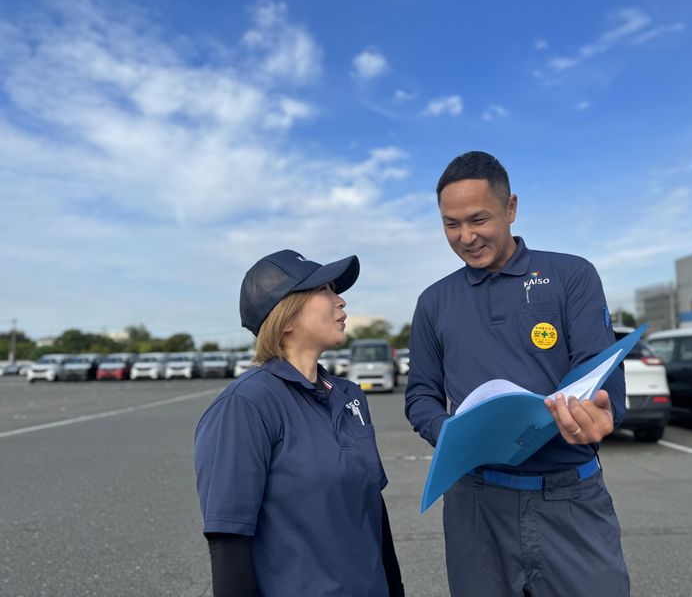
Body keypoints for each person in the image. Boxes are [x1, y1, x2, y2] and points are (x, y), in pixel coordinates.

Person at [405, 151, 629, 597]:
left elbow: (598, 374)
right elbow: (420, 396)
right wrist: (452, 431)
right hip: (476, 502)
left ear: (510, 209)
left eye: (478, 219)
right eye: (452, 224)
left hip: (569, 494)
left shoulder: (571, 275)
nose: (466, 236)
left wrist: (601, 416)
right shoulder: (434, 301)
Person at [195, 250, 404, 597]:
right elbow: (228, 537)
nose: (340, 301)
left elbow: (373, 512)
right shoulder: (245, 405)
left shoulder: (349, 396)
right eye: (325, 290)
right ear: (286, 317)